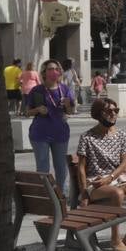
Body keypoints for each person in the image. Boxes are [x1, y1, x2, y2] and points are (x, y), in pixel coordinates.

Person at [76, 98, 126, 251]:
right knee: (117, 193)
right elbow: (81, 167)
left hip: (115, 179)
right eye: (108, 111)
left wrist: (110, 178)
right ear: (98, 114)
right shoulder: (87, 137)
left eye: (115, 111)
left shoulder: (122, 135)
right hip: (95, 183)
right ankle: (115, 239)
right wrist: (83, 193)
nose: (113, 114)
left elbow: (124, 162)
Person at [25, 59, 76, 197]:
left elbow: (70, 112)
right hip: (40, 134)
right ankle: (46, 197)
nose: (53, 72)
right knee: (43, 168)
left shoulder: (65, 89)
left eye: (56, 69)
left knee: (61, 167)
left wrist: (67, 105)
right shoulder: (37, 90)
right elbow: (27, 112)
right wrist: (37, 110)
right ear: (44, 72)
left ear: (59, 72)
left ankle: (62, 197)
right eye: (50, 69)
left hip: (60, 134)